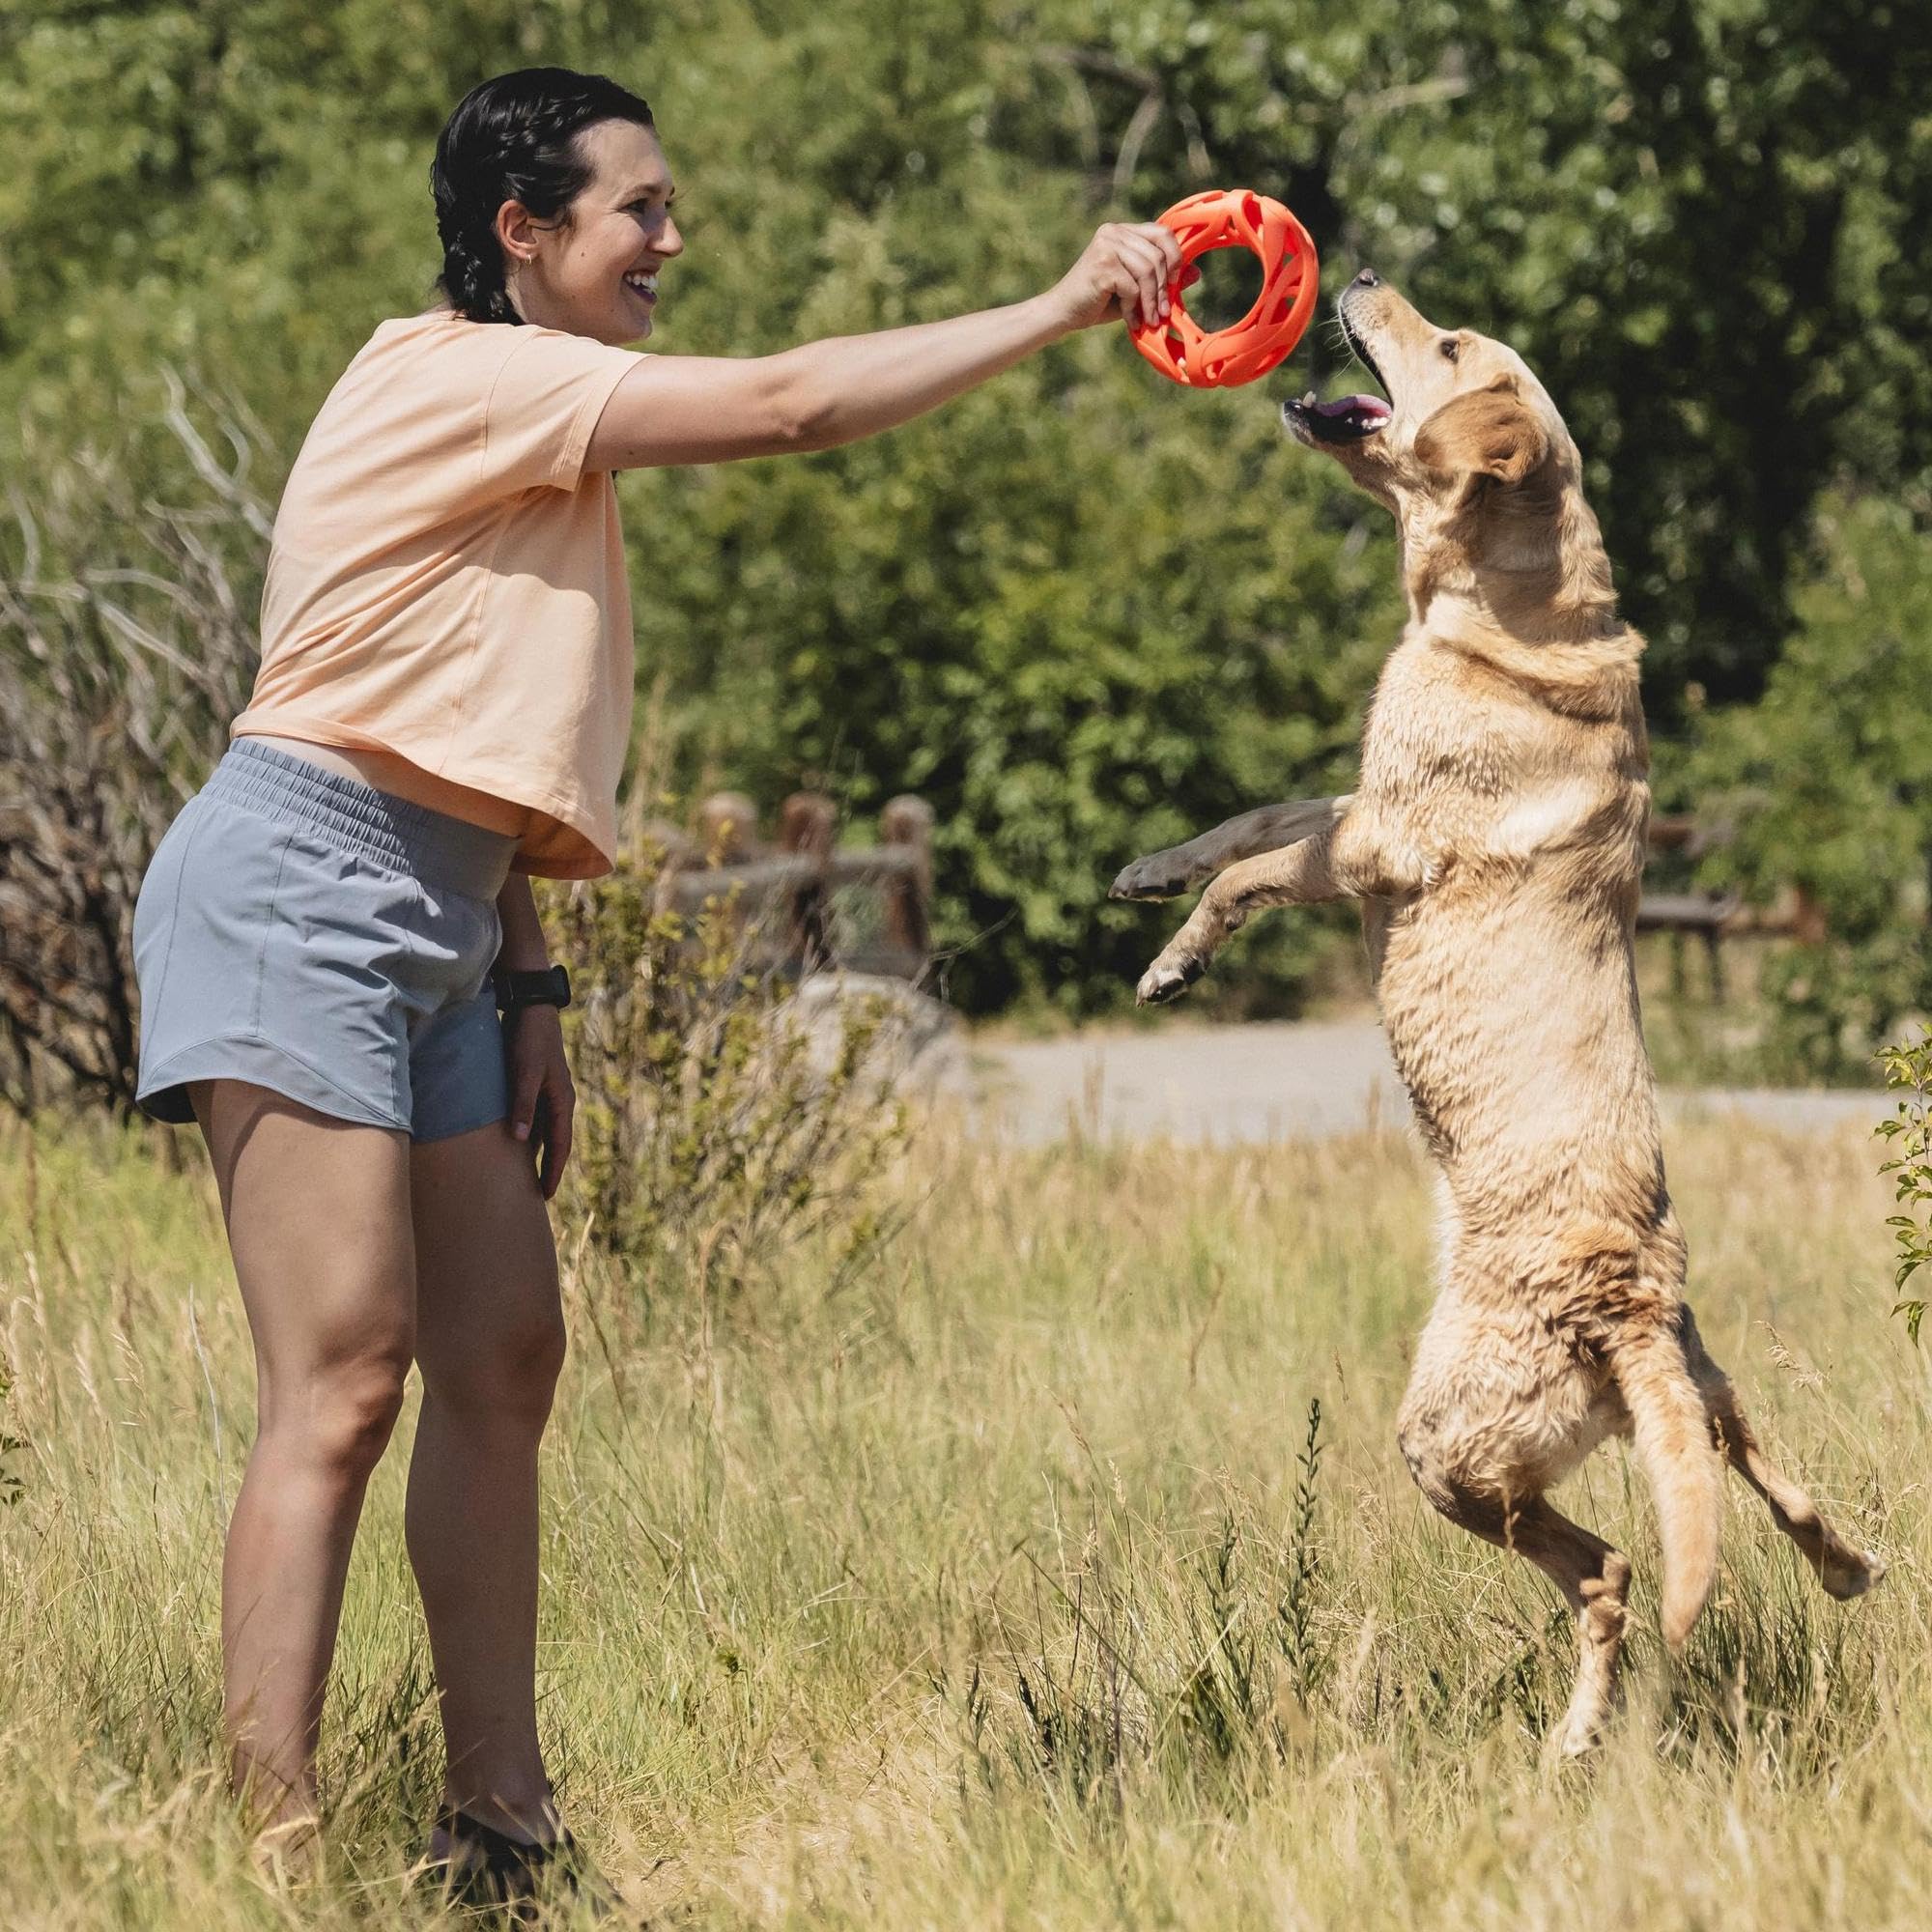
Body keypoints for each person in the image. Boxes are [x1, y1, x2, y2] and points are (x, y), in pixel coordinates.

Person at [128, 64, 1180, 1906]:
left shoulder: (528, 409)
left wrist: (528, 990)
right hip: (302, 882)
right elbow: (786, 406)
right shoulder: (456, 370)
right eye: (638, 211)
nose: (672, 241)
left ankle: (500, 1829)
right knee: (348, 1378)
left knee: (505, 1355)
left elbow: (469, 715)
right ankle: (264, 1863)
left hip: (450, 911)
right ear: (522, 237)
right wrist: (1063, 302)